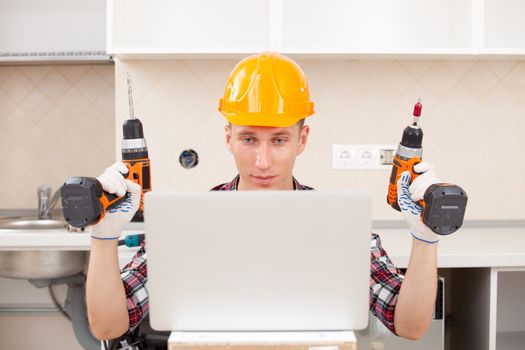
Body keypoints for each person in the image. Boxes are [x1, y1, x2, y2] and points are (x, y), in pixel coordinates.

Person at [86, 52, 441, 342]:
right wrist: (104, 236)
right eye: (249, 139)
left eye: (279, 140)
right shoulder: (191, 223)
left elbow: (408, 325)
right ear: (228, 138)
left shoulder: (335, 224)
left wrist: (425, 238)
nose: (262, 161)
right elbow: (109, 326)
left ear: (302, 140)